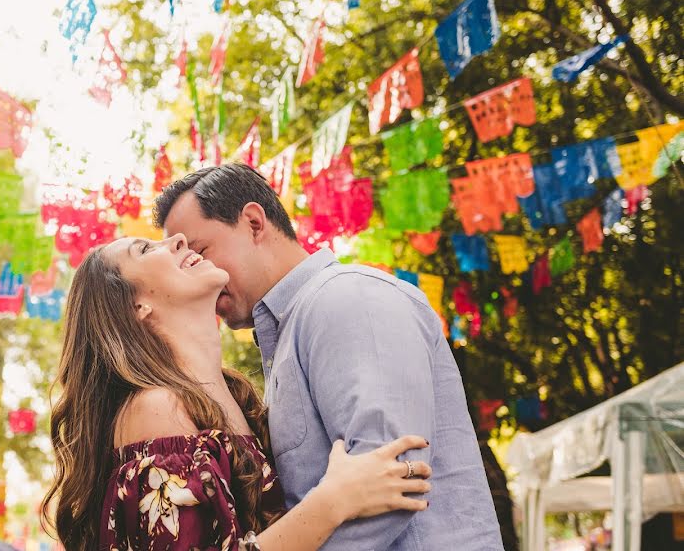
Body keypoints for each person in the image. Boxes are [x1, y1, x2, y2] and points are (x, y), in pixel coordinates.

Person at [154, 163, 504, 549]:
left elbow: (392, 482)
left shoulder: (346, 299)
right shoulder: (290, 333)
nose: (200, 272)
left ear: (254, 223)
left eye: (201, 251)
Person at [41, 235, 434, 551]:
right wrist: (333, 501)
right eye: (146, 249)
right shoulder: (156, 409)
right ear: (137, 306)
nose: (178, 241)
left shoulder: (238, 397)